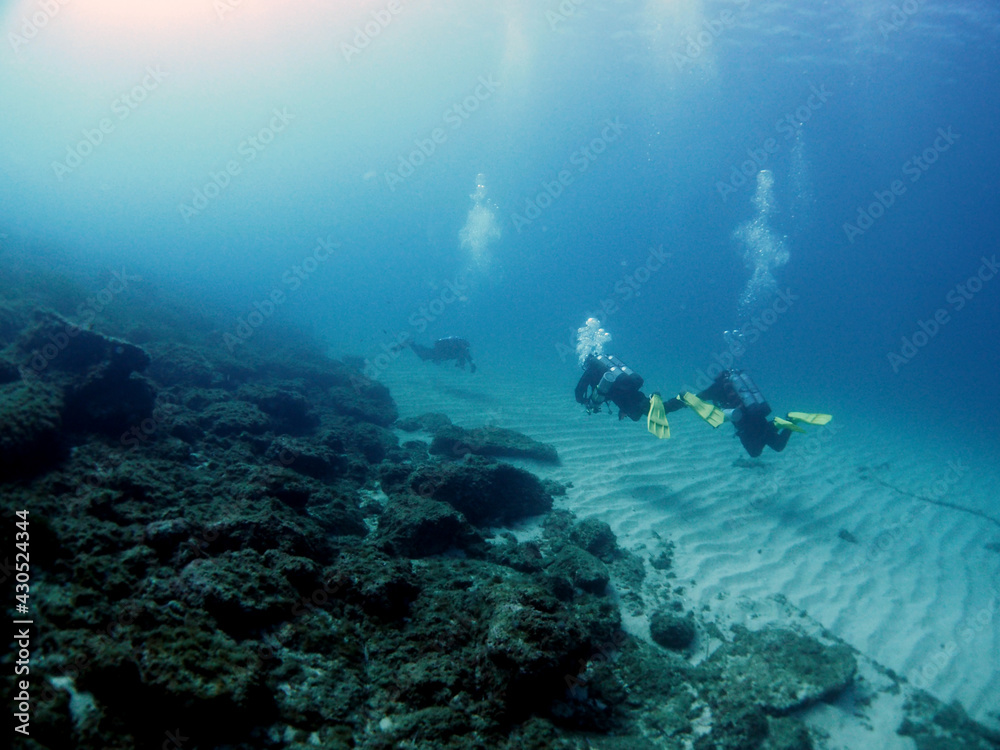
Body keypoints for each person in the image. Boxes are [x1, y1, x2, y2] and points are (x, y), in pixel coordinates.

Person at [662, 369, 829, 457]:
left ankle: (784, 422)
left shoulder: (716, 388)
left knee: (755, 452)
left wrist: (671, 405)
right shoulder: (741, 386)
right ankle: (785, 420)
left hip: (745, 425)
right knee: (777, 445)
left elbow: (695, 399)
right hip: (759, 416)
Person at [575, 353, 650, 421]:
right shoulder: (609, 362)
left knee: (634, 414)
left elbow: (580, 388)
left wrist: (582, 400)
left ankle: (640, 407)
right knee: (635, 397)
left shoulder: (591, 367)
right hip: (632, 382)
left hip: (617, 390)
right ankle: (651, 401)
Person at [398, 336, 477, 373]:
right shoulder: (455, 348)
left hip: (438, 353)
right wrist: (437, 359)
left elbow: (468, 357)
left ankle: (412, 343)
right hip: (437, 353)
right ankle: (411, 343)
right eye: (465, 347)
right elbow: (441, 352)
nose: (466, 350)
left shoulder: (460, 350)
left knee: (424, 354)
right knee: (423, 355)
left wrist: (473, 366)